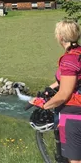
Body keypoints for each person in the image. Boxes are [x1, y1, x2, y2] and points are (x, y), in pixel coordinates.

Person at [30, 20, 81, 163]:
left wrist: (45, 105)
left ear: (59, 37)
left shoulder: (69, 59)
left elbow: (64, 94)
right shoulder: (79, 54)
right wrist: (49, 88)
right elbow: (71, 79)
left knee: (75, 160)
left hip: (74, 115)